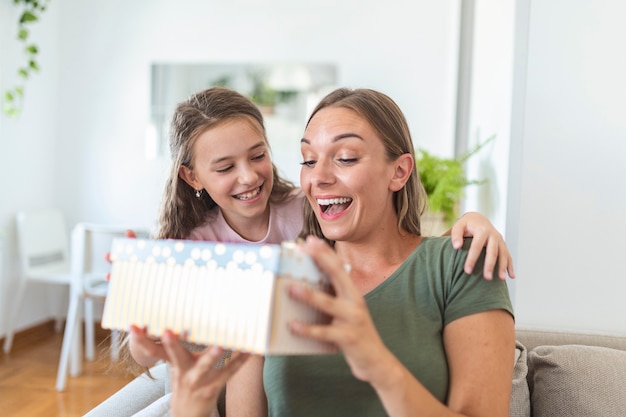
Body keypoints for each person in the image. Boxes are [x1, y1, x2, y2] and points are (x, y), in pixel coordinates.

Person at [155, 87, 515, 417]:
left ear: (399, 171)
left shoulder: (463, 263)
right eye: (309, 160)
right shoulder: (278, 280)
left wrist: (376, 362)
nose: (319, 177)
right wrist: (191, 403)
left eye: (344, 158)